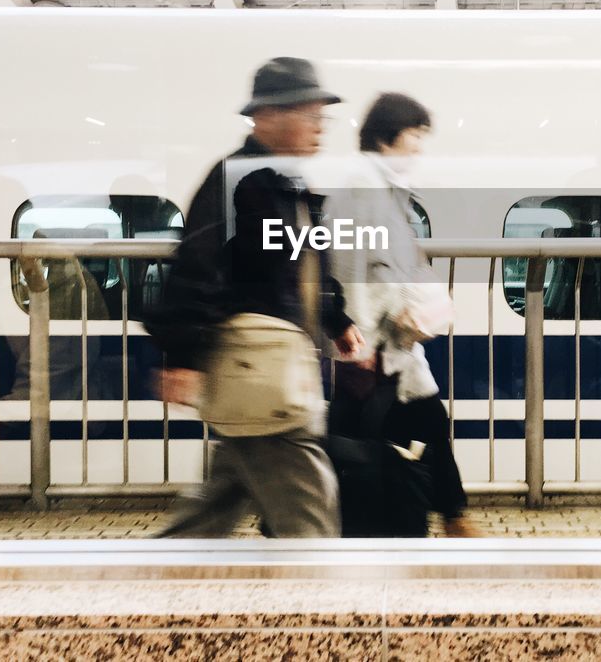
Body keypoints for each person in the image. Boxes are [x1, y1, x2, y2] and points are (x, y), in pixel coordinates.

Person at [144, 57, 364, 539]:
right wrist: (182, 354)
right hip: (260, 367)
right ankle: (321, 605)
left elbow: (306, 265)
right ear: (265, 117)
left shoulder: (290, 184)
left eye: (321, 117)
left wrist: (336, 319)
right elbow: (199, 264)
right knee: (309, 516)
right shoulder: (238, 179)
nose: (319, 129)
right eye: (308, 115)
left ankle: (152, 584)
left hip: (272, 370)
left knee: (215, 506)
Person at [325, 92, 480, 537]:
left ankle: (449, 521)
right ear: (387, 135)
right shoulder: (364, 188)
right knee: (390, 438)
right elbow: (352, 269)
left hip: (391, 348)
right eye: (415, 134)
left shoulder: (383, 189)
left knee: (420, 426)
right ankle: (442, 525)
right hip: (377, 350)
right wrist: (359, 340)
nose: (418, 146)